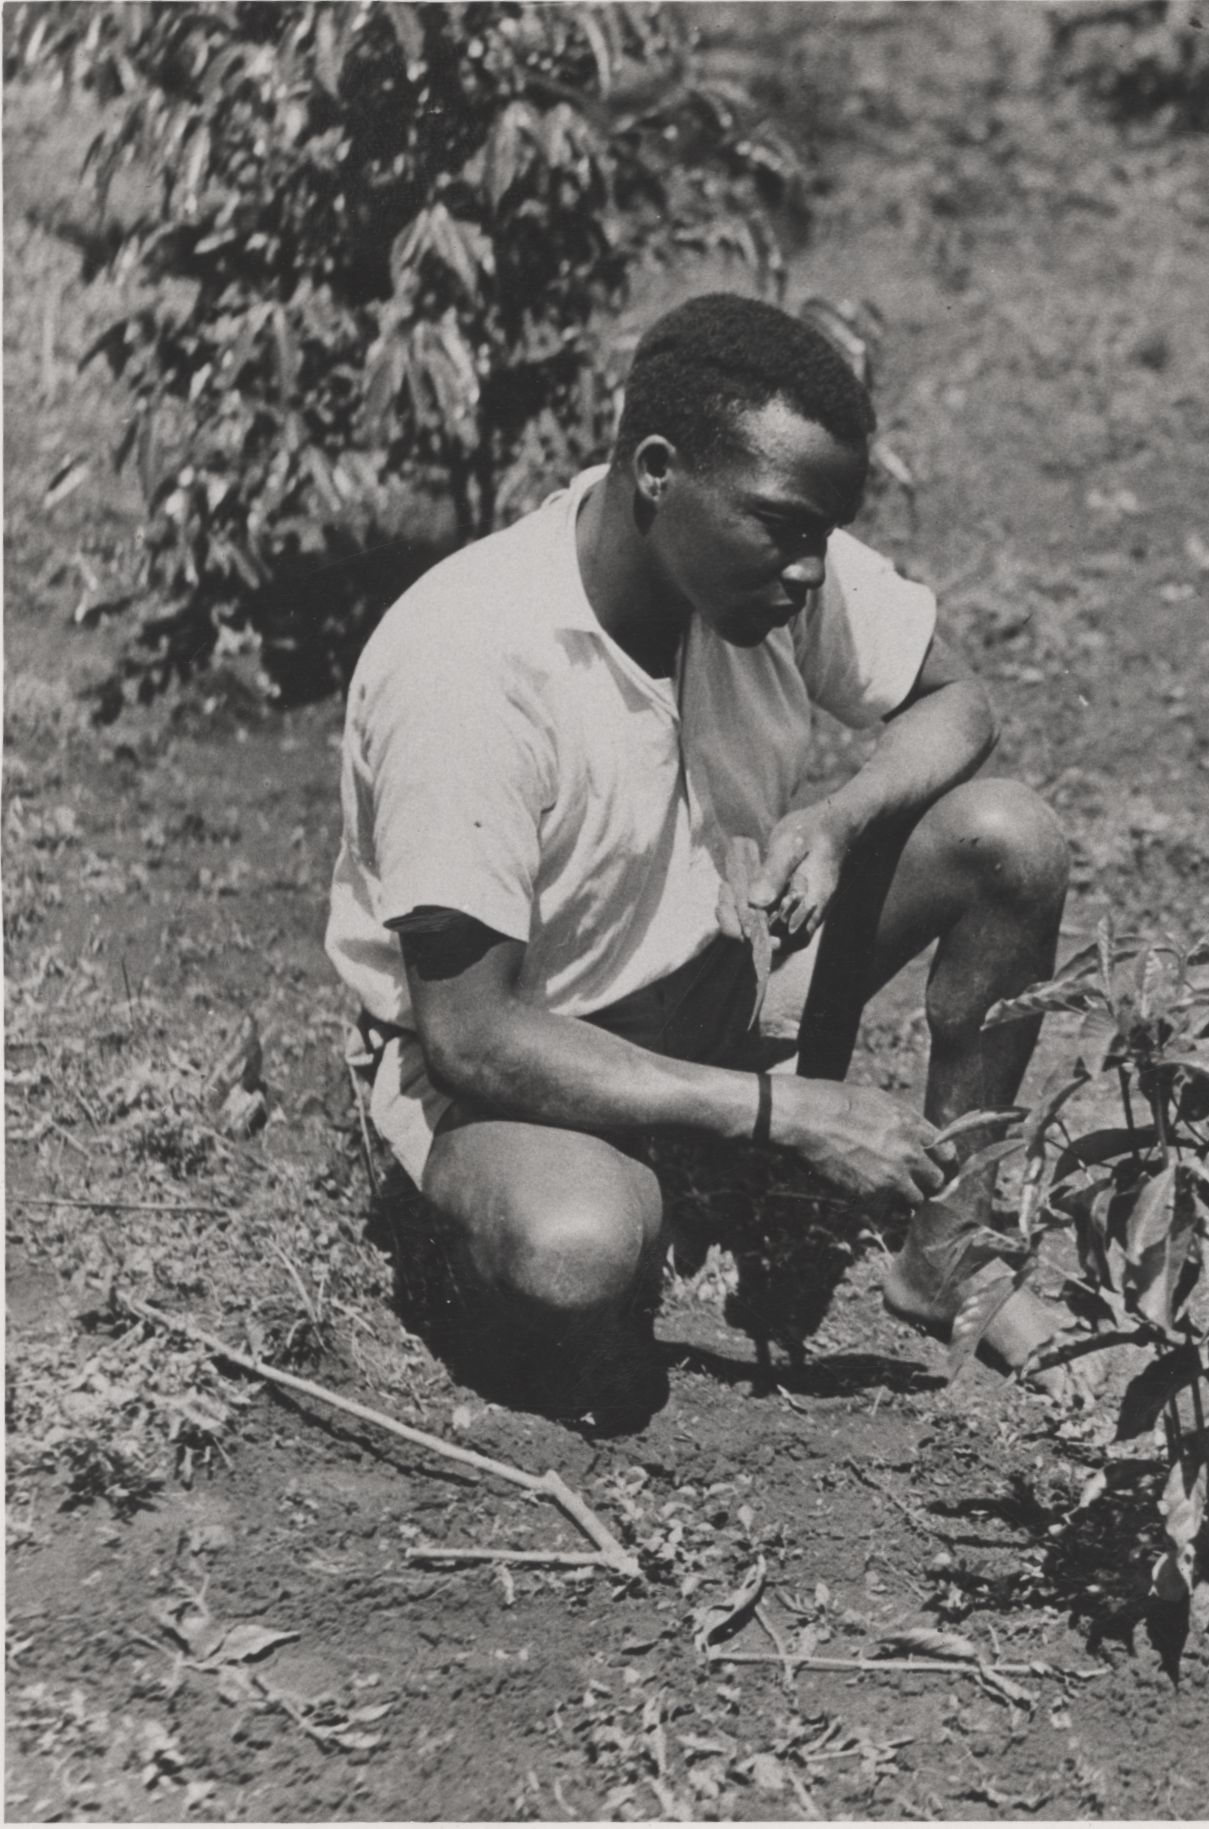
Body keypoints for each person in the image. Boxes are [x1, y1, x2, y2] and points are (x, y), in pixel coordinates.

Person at [329, 292, 1078, 1420]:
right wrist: (780, 1116)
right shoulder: (472, 664)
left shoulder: (761, 562)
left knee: (1006, 839)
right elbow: (473, 1033)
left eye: (825, 535)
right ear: (658, 471)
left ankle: (947, 1259)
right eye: (785, 527)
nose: (813, 574)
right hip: (527, 1043)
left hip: (716, 966)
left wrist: (841, 816)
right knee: (578, 1250)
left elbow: (956, 702)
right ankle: (610, 1188)